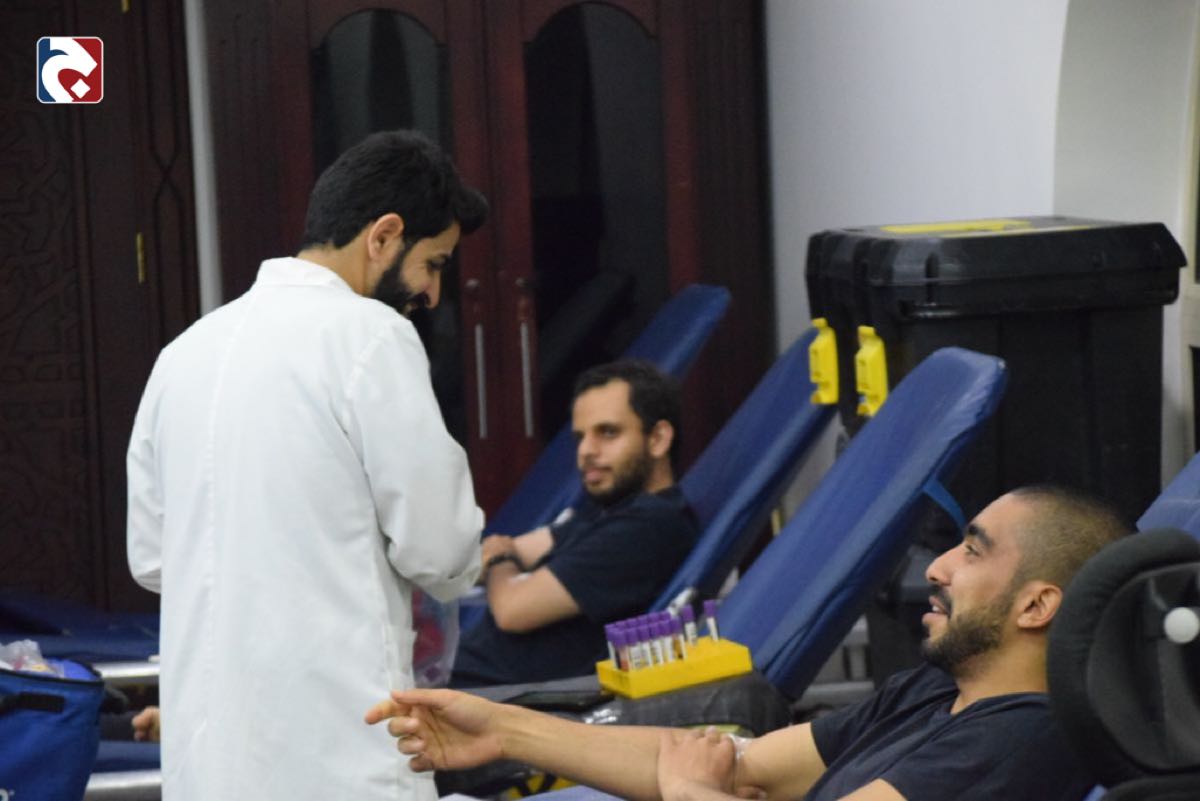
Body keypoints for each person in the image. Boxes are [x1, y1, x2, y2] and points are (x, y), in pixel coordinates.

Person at [127, 129, 487, 801]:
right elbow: (442, 550)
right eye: (434, 264)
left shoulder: (181, 355)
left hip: (208, 771)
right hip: (340, 758)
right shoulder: (371, 337)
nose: (433, 293)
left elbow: (152, 559)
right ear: (384, 236)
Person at [367, 485, 1130, 800]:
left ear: (1037, 603)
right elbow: (743, 763)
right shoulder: (939, 687)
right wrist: (502, 729)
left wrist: (691, 792)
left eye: (972, 550)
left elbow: (701, 777)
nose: (937, 565)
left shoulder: (1021, 737)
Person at [450, 361, 700, 687]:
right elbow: (498, 555)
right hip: (453, 682)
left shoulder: (649, 527)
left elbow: (513, 608)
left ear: (657, 439)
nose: (586, 451)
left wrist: (500, 560)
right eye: (581, 437)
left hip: (488, 700)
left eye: (607, 432)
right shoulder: (608, 512)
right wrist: (503, 563)